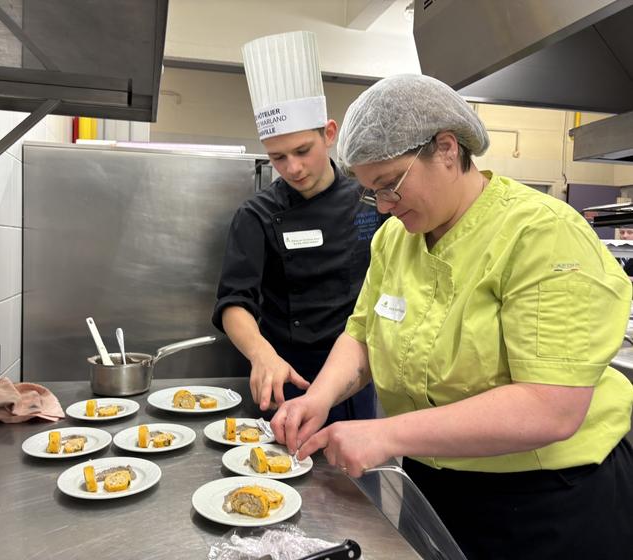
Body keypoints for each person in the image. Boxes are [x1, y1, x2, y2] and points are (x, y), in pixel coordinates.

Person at [271, 74, 633, 559]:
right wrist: (319, 397)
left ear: (446, 148)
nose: (382, 206)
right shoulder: (395, 239)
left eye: (389, 185)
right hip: (434, 486)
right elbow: (362, 333)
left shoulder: (542, 234)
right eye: (370, 191)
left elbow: (551, 405)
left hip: (544, 501)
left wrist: (384, 434)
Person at [212, 31, 383, 422]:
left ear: (329, 133)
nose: (293, 168)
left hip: (356, 368)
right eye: (278, 157)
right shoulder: (255, 214)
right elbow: (234, 301)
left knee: (348, 480)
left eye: (303, 151)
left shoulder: (373, 200)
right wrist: (261, 354)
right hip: (286, 372)